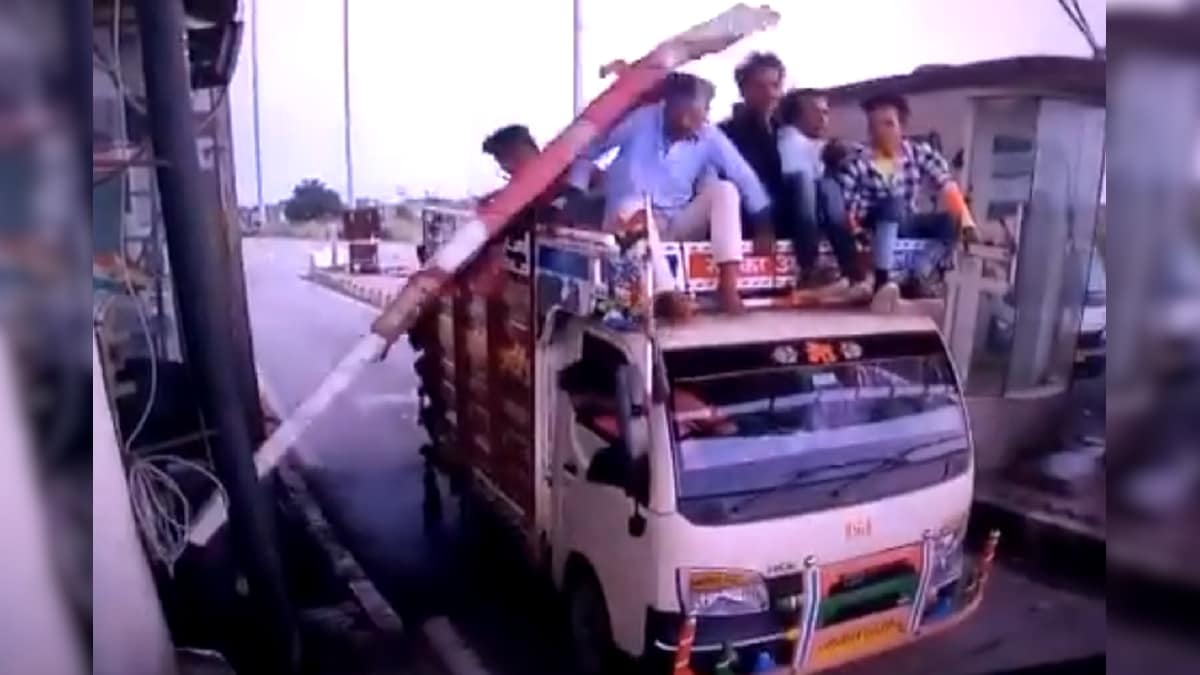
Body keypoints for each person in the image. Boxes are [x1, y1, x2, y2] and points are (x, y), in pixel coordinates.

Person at [566, 72, 774, 317]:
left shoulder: (707, 134)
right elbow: (588, 150)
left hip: (675, 223)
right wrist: (575, 194)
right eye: (683, 117)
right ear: (667, 106)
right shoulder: (639, 121)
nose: (689, 125)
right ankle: (666, 294)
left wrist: (763, 223)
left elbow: (743, 176)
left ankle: (728, 287)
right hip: (628, 226)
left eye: (697, 118)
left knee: (724, 190)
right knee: (631, 207)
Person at [841, 93, 979, 312]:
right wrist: (857, 232)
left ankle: (918, 277)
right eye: (874, 125)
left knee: (952, 220)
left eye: (888, 124)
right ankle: (881, 281)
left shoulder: (918, 153)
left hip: (907, 222)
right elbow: (848, 207)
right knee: (893, 202)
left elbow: (946, 185)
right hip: (873, 225)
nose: (880, 131)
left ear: (902, 127)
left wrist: (967, 223)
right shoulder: (859, 161)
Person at [775, 88, 869, 297]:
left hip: (817, 215)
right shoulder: (787, 140)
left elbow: (864, 156)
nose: (824, 118)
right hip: (788, 214)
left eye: (826, 112)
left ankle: (852, 271)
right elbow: (794, 174)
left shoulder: (815, 146)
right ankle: (810, 268)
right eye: (818, 111)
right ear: (798, 115)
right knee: (807, 181)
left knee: (829, 186)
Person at [480, 124, 604, 226]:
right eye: (501, 160)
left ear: (525, 150)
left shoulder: (570, 169)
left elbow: (607, 195)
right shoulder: (515, 194)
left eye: (508, 157)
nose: (506, 167)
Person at [718, 52, 787, 237]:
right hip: (745, 230)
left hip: (790, 229)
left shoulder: (788, 133)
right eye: (759, 87)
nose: (769, 94)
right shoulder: (723, 135)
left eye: (775, 86)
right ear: (743, 91)